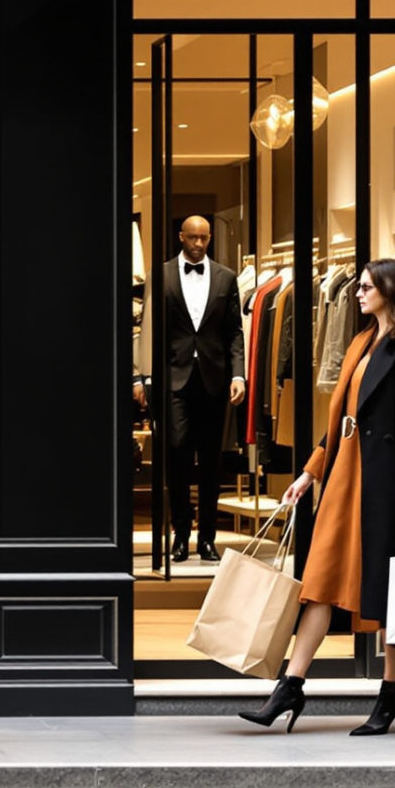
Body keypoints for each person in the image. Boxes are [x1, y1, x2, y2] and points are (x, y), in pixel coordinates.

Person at [238, 258, 395, 737]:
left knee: (392, 593)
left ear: (391, 290)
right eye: (360, 285)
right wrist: (308, 474)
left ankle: (390, 695)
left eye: (367, 286)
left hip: (387, 482)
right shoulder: (360, 341)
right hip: (344, 477)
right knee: (319, 584)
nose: (358, 292)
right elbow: (338, 423)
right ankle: (290, 686)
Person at [135, 216, 245, 562]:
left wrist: (238, 374)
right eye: (192, 238)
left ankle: (207, 539)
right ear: (181, 237)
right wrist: (143, 376)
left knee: (211, 461)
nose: (198, 244)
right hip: (173, 378)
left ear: (210, 238)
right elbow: (148, 327)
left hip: (213, 378)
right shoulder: (161, 274)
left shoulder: (226, 277)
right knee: (178, 453)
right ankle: (180, 534)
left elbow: (235, 332)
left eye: (204, 238)